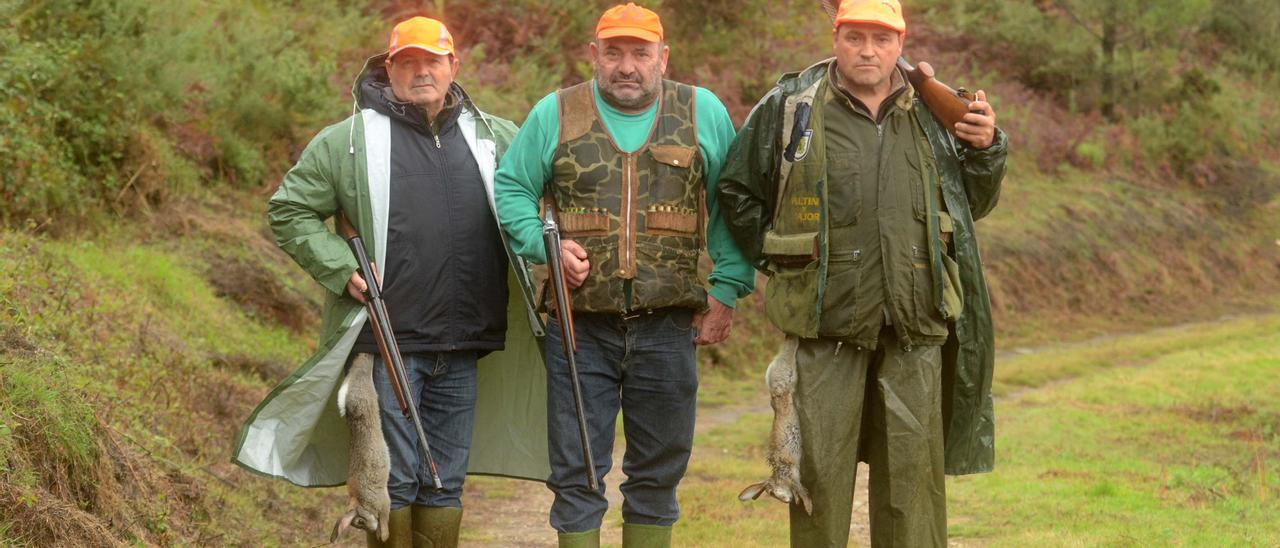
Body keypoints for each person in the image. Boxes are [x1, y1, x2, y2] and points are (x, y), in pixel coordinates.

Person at [233, 16, 550, 547]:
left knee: (444, 482)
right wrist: (341, 266)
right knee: (394, 481)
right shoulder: (349, 141)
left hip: (469, 341)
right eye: (408, 62)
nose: (421, 71)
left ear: (454, 66)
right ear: (389, 68)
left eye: (432, 61)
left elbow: (539, 201)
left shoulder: (495, 136)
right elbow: (289, 211)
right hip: (388, 343)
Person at [716, 0, 1009, 545]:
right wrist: (782, 256)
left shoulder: (937, 110)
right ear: (836, 37)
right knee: (820, 482)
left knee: (912, 492)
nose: (867, 50)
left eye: (881, 38)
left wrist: (988, 148)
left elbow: (975, 201)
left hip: (915, 322)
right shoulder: (790, 104)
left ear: (901, 42)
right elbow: (736, 188)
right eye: (854, 37)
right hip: (826, 326)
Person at [493, 3, 755, 546]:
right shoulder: (555, 112)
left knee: (659, 474)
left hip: (668, 327)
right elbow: (511, 189)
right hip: (577, 328)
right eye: (613, 53)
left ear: (663, 57)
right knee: (577, 471)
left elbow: (732, 207)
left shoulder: (701, 110)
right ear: (594, 55)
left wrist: (727, 290)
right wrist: (545, 245)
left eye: (640, 53)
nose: (626, 66)